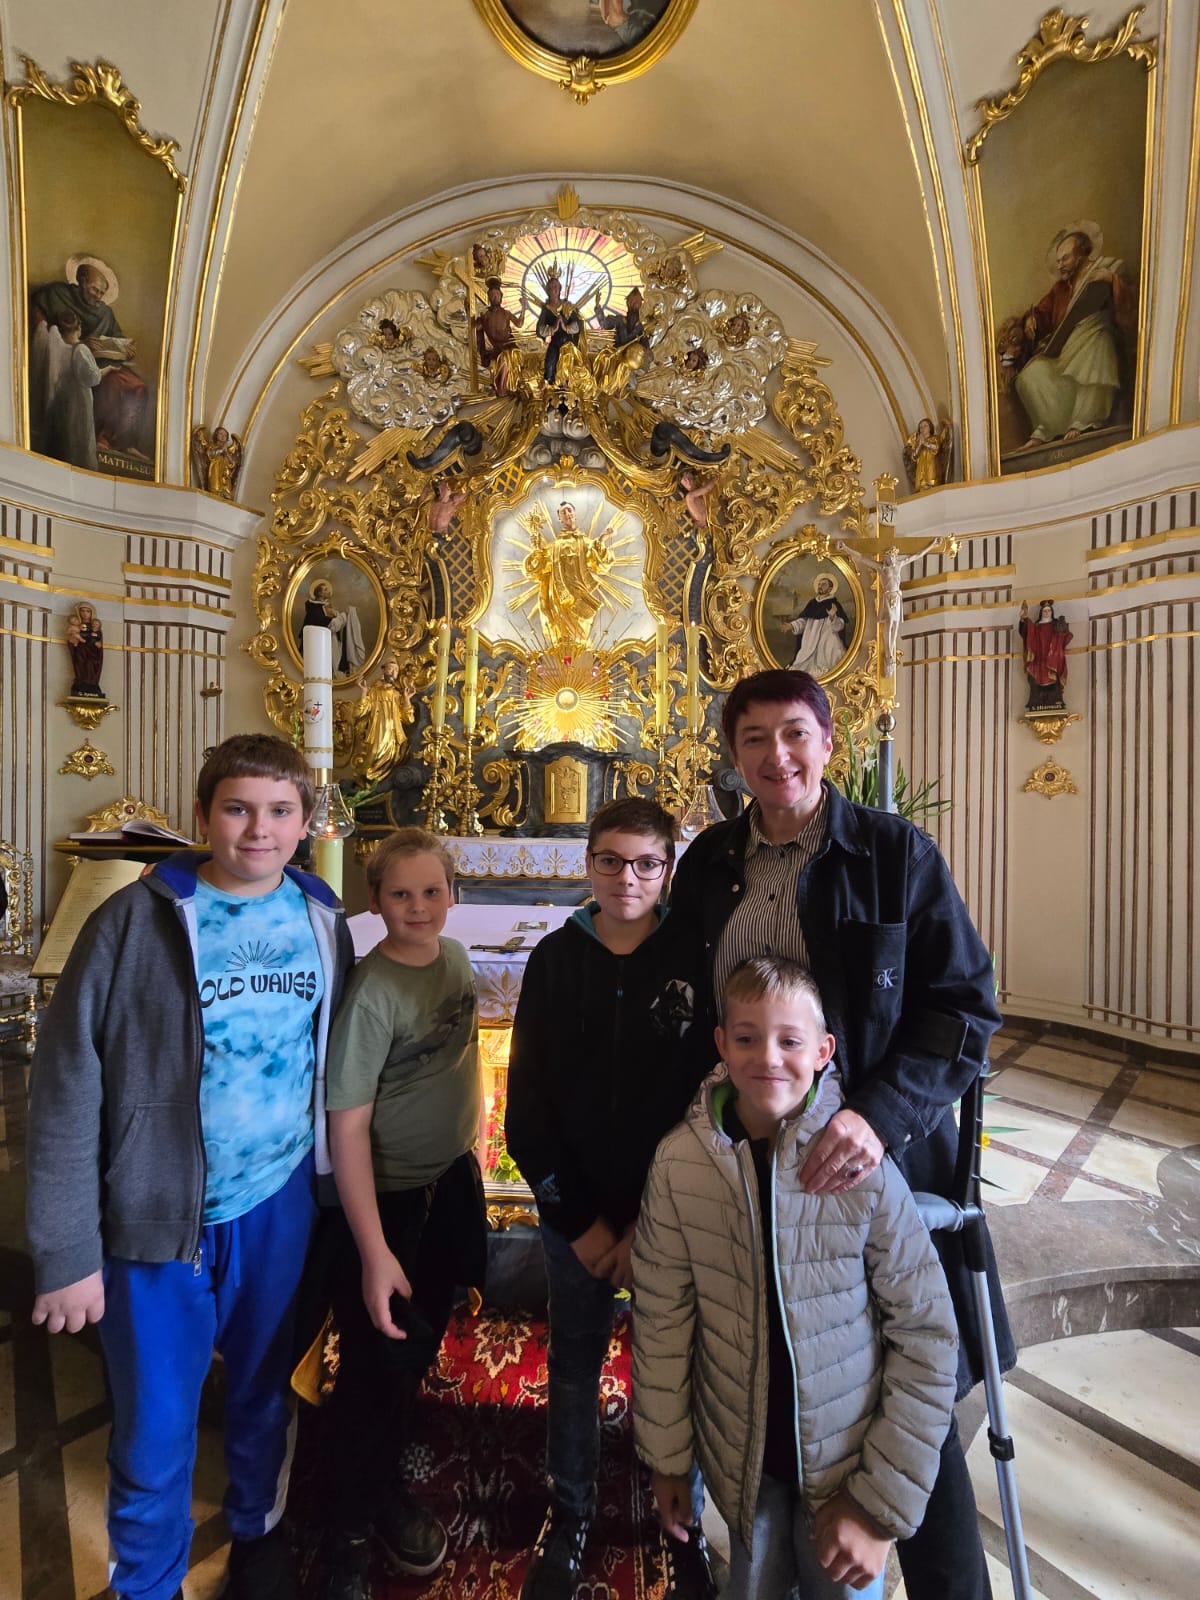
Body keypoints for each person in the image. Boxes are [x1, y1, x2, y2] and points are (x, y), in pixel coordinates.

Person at [669, 668, 1013, 1600]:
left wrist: (877, 1117)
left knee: (905, 1380)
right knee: (792, 1375)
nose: (775, 755)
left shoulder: (894, 853)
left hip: (864, 1156)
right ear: (733, 755)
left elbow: (964, 1007)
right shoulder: (710, 862)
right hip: (747, 1157)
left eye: (794, 734)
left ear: (828, 742)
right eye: (753, 738)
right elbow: (685, 1003)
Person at [26, 733, 354, 1600]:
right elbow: (64, 1088)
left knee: (263, 1392)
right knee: (155, 1423)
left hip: (279, 1200)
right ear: (204, 815)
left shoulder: (322, 917)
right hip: (156, 1211)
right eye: (238, 809)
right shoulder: (133, 922)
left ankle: (258, 1534)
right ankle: (147, 1582)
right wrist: (65, 1251)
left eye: (280, 811)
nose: (259, 830)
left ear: (307, 822)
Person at [633, 956, 959, 1600]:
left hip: (847, 1475)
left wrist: (877, 1508)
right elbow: (662, 1321)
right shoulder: (679, 1165)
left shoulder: (861, 1169)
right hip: (743, 1470)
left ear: (823, 1051)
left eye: (790, 1041)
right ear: (721, 1043)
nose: (768, 1058)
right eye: (747, 1038)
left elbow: (926, 1333)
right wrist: (669, 1461)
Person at [505, 798, 711, 1600]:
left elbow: (706, 1098)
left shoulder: (694, 954)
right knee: (573, 1362)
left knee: (678, 1364)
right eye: (611, 861)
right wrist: (579, 1222)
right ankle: (571, 1513)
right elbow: (528, 1111)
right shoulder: (556, 960)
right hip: (578, 1215)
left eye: (647, 863)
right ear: (587, 863)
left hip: (673, 1216)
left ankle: (684, 1522)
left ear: (668, 870)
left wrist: (650, 1224)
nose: (628, 878)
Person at [317, 827, 486, 1600]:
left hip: (447, 1185)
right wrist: (375, 1250)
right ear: (375, 900)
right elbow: (347, 1127)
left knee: (414, 1350)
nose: (418, 907)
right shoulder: (374, 992)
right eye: (400, 894)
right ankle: (348, 1528)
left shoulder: (454, 959)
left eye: (432, 891)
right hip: (386, 1205)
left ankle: (379, 1478)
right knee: (373, 1370)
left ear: (453, 894)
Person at [1008, 227, 1131, 448]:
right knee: (1030, 375)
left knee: (1097, 348)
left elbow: (1132, 305)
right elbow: (1043, 312)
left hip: (1096, 336)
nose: (1060, 265)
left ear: (1081, 254)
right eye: (1058, 260)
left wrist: (1112, 280)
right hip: (1065, 350)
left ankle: (1083, 421)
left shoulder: (1106, 269)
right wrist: (1031, 320)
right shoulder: (1061, 289)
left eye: (1065, 258)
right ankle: (1047, 426)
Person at [45, 311, 102, 470]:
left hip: (62, 399)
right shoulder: (81, 349)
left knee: (66, 436)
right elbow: (92, 378)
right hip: (79, 401)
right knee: (79, 436)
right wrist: (104, 370)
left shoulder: (58, 347)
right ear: (79, 328)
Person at [780, 573, 849, 677]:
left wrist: (832, 617)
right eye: (819, 584)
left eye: (823, 584)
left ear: (830, 589)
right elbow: (804, 621)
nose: (820, 586)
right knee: (802, 667)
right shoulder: (812, 604)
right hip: (810, 642)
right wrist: (793, 625)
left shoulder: (834, 605)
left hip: (828, 643)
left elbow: (840, 626)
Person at [476, 276, 527, 395]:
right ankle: (500, 387)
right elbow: (477, 329)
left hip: (509, 346)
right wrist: (469, 311)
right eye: (492, 295)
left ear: (501, 297)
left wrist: (523, 307)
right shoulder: (485, 316)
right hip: (496, 349)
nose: (495, 297)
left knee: (507, 357)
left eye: (497, 295)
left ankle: (503, 386)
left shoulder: (506, 313)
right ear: (489, 297)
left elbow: (519, 324)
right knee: (501, 359)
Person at [1018, 599, 1072, 711]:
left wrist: (1063, 630)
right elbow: (1028, 632)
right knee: (1035, 677)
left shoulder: (1056, 625)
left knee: (1054, 678)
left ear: (1052, 612)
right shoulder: (1037, 626)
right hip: (1039, 658)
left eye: (1048, 611)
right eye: (1045, 611)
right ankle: (1036, 702)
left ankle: (1056, 701)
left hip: (1053, 658)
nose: (1047, 613)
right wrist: (1024, 618)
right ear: (1041, 613)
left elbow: (1065, 637)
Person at [536, 270, 584, 384]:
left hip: (568, 342)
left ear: (560, 289)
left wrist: (565, 327)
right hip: (555, 342)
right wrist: (553, 328)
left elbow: (578, 325)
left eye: (556, 287)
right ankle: (550, 383)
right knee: (550, 364)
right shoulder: (546, 309)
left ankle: (566, 383)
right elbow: (539, 329)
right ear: (548, 290)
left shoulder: (567, 306)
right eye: (551, 287)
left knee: (567, 361)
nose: (554, 289)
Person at [65, 601, 105, 696]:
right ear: (79, 612)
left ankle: (91, 684)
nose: (85, 613)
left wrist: (96, 643)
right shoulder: (77, 625)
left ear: (91, 613)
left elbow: (99, 640)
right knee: (80, 664)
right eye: (82, 611)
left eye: (88, 611)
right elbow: (72, 639)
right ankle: (81, 682)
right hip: (81, 650)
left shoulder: (95, 626)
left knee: (90, 664)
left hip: (93, 652)